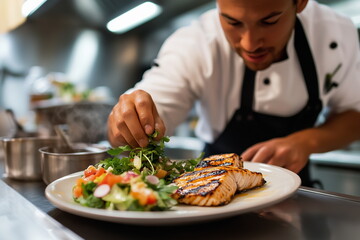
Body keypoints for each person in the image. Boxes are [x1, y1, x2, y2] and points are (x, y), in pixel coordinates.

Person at [107, 0, 360, 187]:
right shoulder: (196, 43)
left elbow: (354, 114)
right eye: (233, 22)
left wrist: (305, 142)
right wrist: (131, 119)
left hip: (297, 193)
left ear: (300, 3)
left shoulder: (335, 33)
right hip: (209, 190)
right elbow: (155, 102)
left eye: (269, 21)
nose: (250, 44)